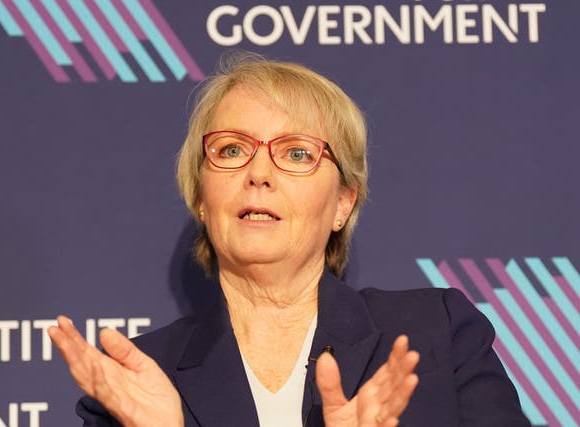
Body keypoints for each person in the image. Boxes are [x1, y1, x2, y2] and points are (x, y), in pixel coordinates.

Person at [48, 54, 530, 427]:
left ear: (343, 202)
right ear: (200, 197)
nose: (258, 173)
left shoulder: (436, 333)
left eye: (297, 153)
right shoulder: (135, 381)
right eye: (232, 149)